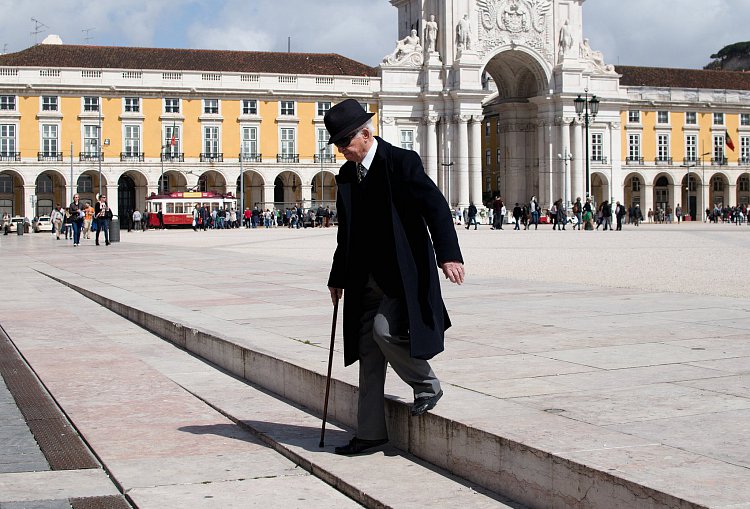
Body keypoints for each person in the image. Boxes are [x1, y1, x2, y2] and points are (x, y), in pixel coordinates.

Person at [324, 99, 464, 456]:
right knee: (368, 355)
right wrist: (337, 276)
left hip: (402, 275)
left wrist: (448, 255)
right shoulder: (347, 176)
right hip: (362, 279)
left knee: (385, 332)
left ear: (366, 134)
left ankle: (426, 383)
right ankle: (370, 433)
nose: (341, 150)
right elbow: (348, 233)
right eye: (338, 145)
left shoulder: (402, 162)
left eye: (345, 143)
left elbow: (435, 206)